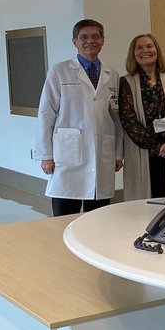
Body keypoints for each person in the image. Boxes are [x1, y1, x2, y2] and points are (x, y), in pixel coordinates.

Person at [35, 19, 124, 216]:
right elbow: (46, 114)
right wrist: (46, 156)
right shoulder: (59, 71)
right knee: (65, 217)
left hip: (102, 153)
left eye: (95, 37)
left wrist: (118, 154)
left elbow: (116, 117)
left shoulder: (112, 74)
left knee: (98, 216)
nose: (90, 41)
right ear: (74, 41)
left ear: (103, 40)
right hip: (67, 154)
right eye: (84, 37)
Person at [119, 33, 165, 201]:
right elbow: (129, 121)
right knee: (145, 203)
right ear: (133, 54)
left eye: (149, 46)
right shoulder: (126, 82)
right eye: (139, 48)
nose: (145, 50)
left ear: (156, 50)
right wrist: (158, 148)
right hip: (143, 151)